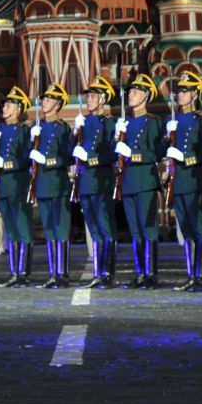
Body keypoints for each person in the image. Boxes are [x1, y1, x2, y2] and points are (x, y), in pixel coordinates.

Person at [116, 73, 165, 289]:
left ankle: (151, 274)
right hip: (127, 182)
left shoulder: (152, 122)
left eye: (135, 92)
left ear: (145, 96)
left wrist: (131, 153)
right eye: (130, 91)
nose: (130, 95)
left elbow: (155, 153)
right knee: (134, 230)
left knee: (148, 228)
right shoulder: (124, 123)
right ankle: (140, 272)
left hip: (145, 180)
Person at [164, 71, 202, 292]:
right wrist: (166, 138)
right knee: (186, 230)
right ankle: (191, 274)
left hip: (195, 178)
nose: (180, 95)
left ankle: (201, 276)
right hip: (178, 180)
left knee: (200, 229)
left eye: (185, 91)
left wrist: (189, 157)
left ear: (195, 94)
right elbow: (160, 150)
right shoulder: (171, 120)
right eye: (179, 91)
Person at [73, 76, 119, 288]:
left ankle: (108, 272)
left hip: (101, 181)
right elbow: (69, 151)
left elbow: (112, 154)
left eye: (93, 96)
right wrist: (74, 134)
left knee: (105, 227)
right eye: (88, 96)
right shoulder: (84, 122)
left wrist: (90, 158)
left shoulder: (110, 123)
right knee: (93, 229)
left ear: (102, 99)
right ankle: (97, 272)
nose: (89, 99)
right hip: (85, 182)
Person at [30, 85, 75, 287]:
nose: (44, 102)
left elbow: (67, 156)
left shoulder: (62, 128)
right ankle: (52, 273)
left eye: (49, 99)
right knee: (49, 229)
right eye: (44, 99)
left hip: (57, 183)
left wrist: (47, 160)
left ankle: (63, 273)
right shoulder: (36, 127)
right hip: (42, 184)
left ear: (57, 105)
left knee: (60, 228)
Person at [0, 87, 34, 286]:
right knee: (10, 230)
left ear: (18, 109)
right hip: (3, 186)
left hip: (18, 185)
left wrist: (6, 163)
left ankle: (24, 273)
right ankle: (14, 272)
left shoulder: (24, 130)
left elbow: (26, 158)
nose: (4, 108)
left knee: (22, 229)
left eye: (9, 105)